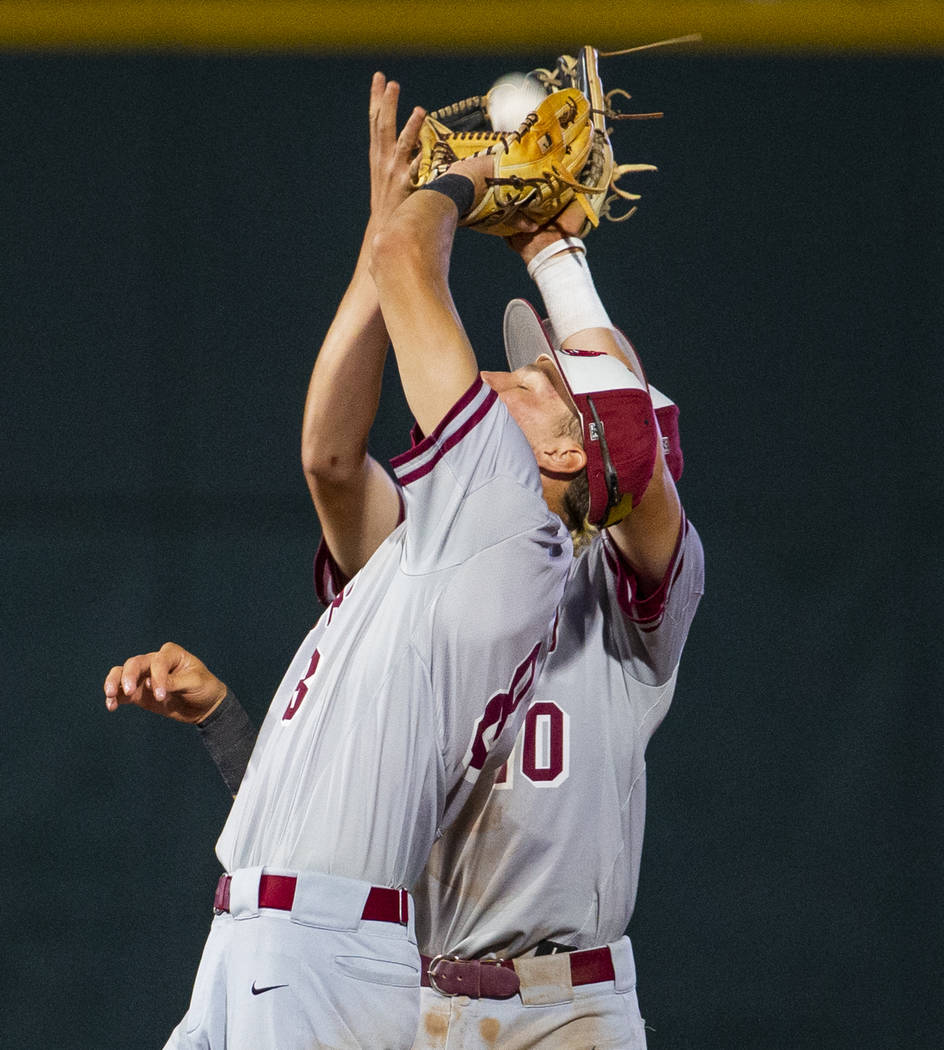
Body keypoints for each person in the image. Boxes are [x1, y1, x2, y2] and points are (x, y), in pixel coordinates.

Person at [103, 72, 586, 1050]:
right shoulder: (437, 546)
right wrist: (376, 256)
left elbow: (415, 258)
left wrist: (479, 178)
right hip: (260, 940)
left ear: (566, 455)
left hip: (321, 945)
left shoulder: (510, 529)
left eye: (537, 380)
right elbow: (327, 453)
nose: (505, 370)